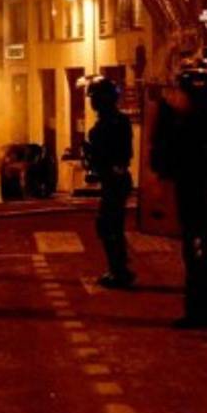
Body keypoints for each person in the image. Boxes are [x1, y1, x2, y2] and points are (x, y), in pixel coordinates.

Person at [151, 58, 207, 329]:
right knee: (198, 247)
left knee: (195, 248)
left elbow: (162, 151)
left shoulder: (179, 117)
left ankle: (204, 310)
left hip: (192, 187)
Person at [83, 76, 135, 289]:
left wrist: (92, 153)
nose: (91, 102)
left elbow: (114, 155)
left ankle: (119, 271)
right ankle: (118, 268)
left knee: (109, 226)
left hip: (114, 180)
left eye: (93, 97)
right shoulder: (119, 121)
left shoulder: (105, 126)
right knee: (112, 225)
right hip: (117, 179)